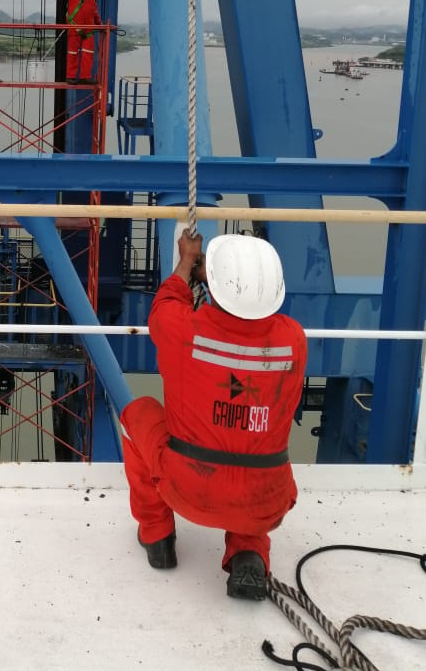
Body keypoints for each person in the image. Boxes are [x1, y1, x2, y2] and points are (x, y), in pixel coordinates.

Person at [120, 229, 307, 601]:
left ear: (216, 283)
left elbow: (166, 303)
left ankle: (157, 535)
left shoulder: (182, 330)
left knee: (138, 414)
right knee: (252, 442)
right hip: (268, 501)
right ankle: (249, 552)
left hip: (189, 491)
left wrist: (188, 261)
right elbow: (249, 325)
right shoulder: (294, 340)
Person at [66, 0, 109, 83]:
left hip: (88, 27)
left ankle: (85, 77)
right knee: (73, 52)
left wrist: (100, 25)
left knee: (88, 52)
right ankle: (71, 76)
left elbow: (93, 9)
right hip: (75, 25)